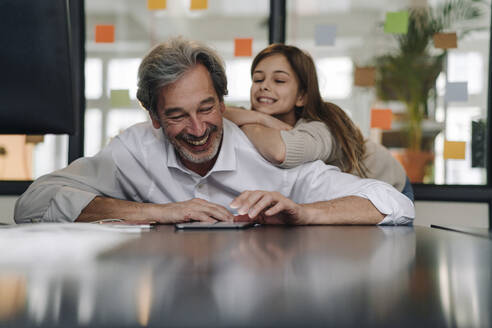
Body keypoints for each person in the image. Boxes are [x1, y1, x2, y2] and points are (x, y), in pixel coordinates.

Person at [14, 38, 414, 225]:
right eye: (176, 116)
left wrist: (305, 212)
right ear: (153, 117)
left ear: (224, 103)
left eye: (207, 108)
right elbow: (33, 202)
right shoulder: (133, 150)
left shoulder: (274, 155)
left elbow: (394, 203)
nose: (198, 129)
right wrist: (159, 212)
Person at [224, 44, 413, 200]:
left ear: (301, 96)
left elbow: (280, 152)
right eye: (258, 79)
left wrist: (250, 121)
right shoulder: (256, 119)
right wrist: (260, 118)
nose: (264, 85)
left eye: (279, 80)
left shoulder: (322, 125)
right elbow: (214, 114)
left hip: (392, 187)